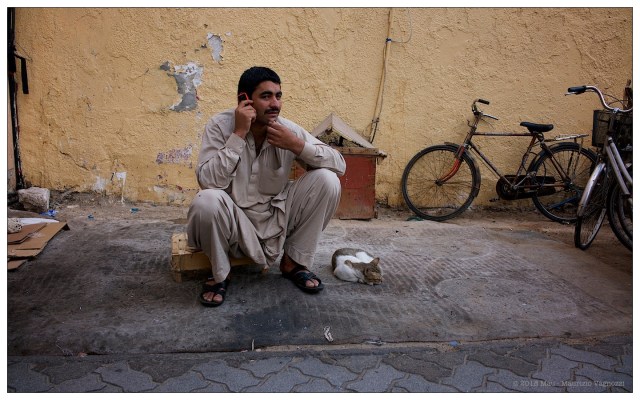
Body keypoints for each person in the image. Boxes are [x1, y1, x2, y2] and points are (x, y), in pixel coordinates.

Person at [187, 66, 346, 307]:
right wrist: (238, 134)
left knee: (328, 180)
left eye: (278, 96)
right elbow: (209, 181)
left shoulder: (286, 129)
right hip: (233, 222)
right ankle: (221, 273)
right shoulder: (220, 126)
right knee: (206, 201)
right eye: (266, 96)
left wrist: (297, 145)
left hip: (275, 217)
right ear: (244, 99)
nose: (275, 104)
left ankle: (294, 262)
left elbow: (339, 165)